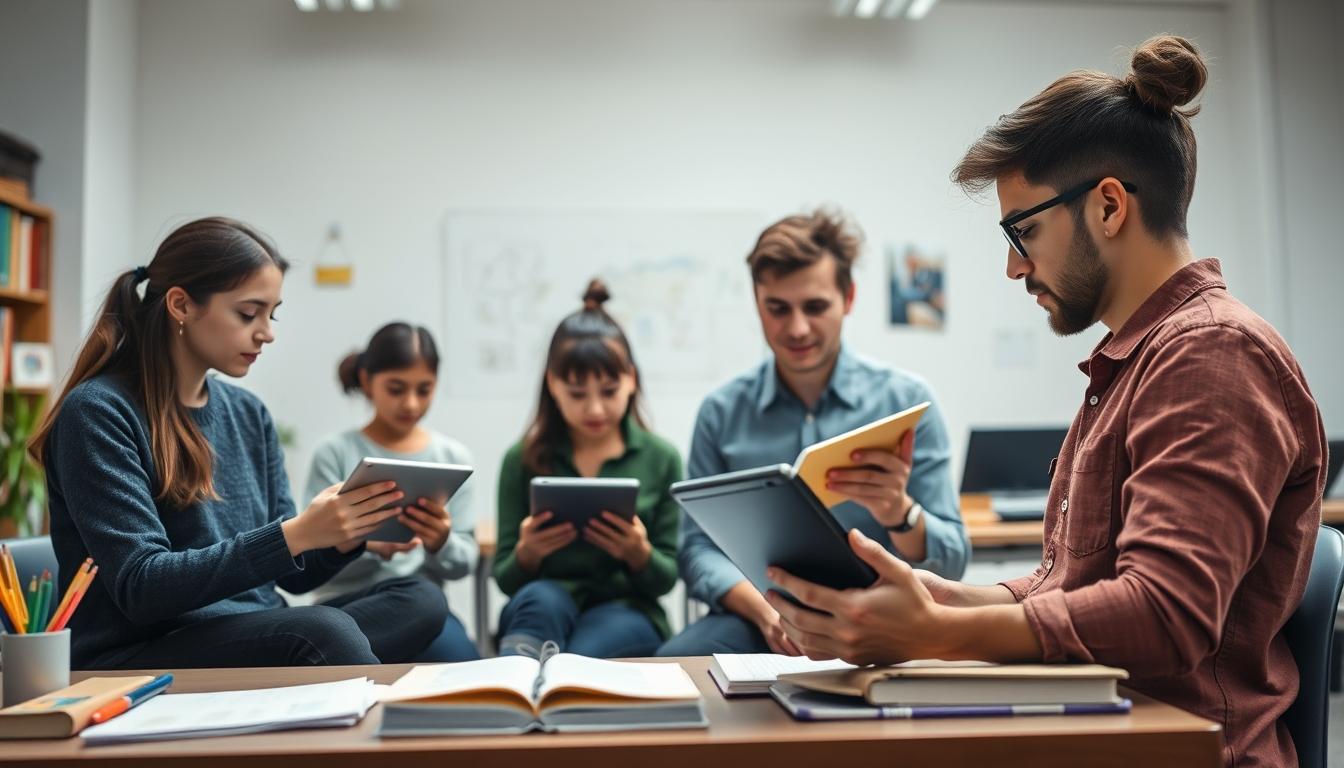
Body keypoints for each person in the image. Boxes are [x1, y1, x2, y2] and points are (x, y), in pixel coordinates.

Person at [765, 37, 1325, 768]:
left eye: (1024, 230)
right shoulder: (1135, 361)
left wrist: (933, 634)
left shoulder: (1212, 353)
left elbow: (1166, 613)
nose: (1012, 266)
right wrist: (938, 598)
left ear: (1109, 206)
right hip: (1101, 730)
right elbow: (1067, 585)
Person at [36, 217, 448, 669]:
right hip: (144, 648)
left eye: (272, 314)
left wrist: (347, 534)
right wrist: (295, 534)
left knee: (420, 599)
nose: (267, 332)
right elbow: (142, 588)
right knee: (324, 632)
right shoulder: (98, 411)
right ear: (181, 305)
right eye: (249, 314)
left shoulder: (249, 413)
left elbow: (293, 577)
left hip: (251, 629)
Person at [659, 209, 967, 657]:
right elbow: (696, 550)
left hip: (878, 622)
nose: (797, 328)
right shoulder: (720, 413)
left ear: (849, 298)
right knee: (672, 669)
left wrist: (899, 513)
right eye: (777, 309)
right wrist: (766, 610)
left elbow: (953, 560)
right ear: (757, 303)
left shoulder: (906, 403)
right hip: (756, 620)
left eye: (816, 307)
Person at [492, 279, 682, 658]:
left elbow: (666, 579)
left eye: (609, 391)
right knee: (540, 603)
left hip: (627, 609)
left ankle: (545, 679)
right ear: (553, 385)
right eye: (577, 394)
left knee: (577, 654)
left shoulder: (662, 458)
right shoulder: (521, 460)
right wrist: (528, 552)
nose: (595, 409)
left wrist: (638, 553)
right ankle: (515, 685)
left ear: (631, 380)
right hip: (542, 603)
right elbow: (505, 579)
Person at [304, 322, 480, 662]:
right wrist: (367, 545)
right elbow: (310, 560)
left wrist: (441, 541)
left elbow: (464, 563)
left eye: (424, 390)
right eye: (396, 389)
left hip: (424, 608)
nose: (411, 404)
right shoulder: (335, 453)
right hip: (350, 606)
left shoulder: (452, 457)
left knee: (468, 669)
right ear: (367, 380)